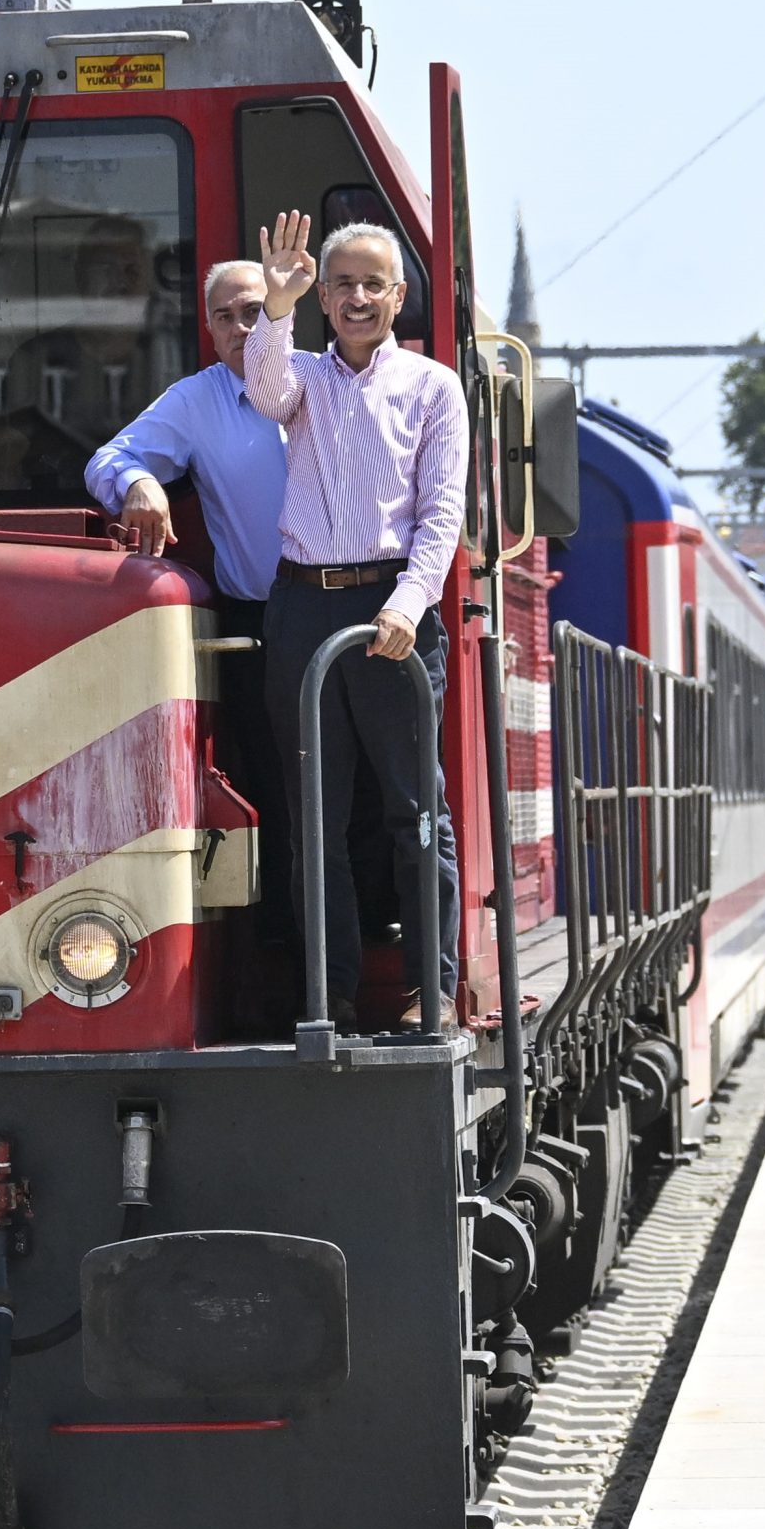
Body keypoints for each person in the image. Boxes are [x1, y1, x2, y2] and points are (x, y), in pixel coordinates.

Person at [246, 210, 466, 1028]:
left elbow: (442, 513)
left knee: (416, 810)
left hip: (391, 607)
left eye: (373, 284)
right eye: (343, 285)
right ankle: (327, 990)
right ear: (326, 298)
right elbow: (265, 391)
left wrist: (409, 605)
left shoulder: (434, 387)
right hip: (305, 604)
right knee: (316, 815)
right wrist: (276, 303)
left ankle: (431, 989)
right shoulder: (301, 371)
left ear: (400, 296)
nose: (359, 298)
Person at [85, 260, 293, 938]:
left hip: (349, 612)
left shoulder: (322, 379)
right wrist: (141, 485)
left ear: (284, 314)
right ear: (209, 330)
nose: (242, 327)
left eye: (256, 312)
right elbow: (109, 458)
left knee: (370, 802)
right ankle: (303, 979)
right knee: (281, 804)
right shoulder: (197, 401)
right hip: (261, 627)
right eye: (227, 316)